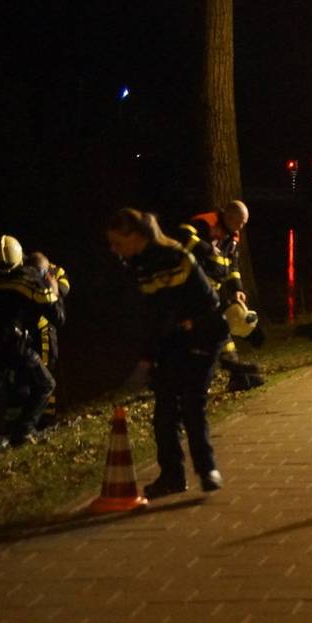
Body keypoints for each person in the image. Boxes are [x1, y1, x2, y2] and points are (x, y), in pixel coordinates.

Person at [107, 208, 227, 497]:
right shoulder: (139, 264)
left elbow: (169, 310)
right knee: (164, 411)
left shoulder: (170, 256)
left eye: (117, 243)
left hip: (202, 335)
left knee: (191, 403)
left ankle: (207, 469)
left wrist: (148, 357)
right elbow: (151, 315)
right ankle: (172, 476)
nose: (114, 250)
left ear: (135, 237)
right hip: (173, 339)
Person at [0, 235, 59, 456]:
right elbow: (58, 316)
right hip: (13, 345)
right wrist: (52, 287)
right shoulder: (31, 278)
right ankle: (23, 431)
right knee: (45, 384)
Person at [179, 200, 264, 391]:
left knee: (217, 331)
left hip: (209, 290)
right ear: (230, 216)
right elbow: (182, 234)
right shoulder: (206, 222)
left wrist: (238, 289)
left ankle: (236, 375)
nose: (242, 227)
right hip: (192, 289)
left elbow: (232, 267)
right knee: (215, 331)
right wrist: (207, 248)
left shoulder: (233, 236)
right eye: (240, 222)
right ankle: (236, 375)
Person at [23, 252, 69, 430]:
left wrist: (51, 289)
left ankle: (46, 419)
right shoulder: (26, 273)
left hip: (46, 329)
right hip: (30, 331)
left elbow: (63, 289)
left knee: (47, 369)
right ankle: (31, 420)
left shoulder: (55, 271)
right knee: (34, 376)